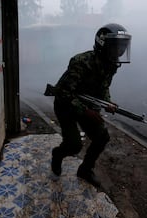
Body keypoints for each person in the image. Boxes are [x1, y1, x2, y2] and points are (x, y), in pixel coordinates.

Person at [50, 23, 132, 187]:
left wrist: (107, 102)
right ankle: (57, 154)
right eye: (116, 46)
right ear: (103, 44)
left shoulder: (110, 63)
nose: (120, 51)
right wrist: (86, 111)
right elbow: (63, 92)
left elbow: (103, 87)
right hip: (66, 106)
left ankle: (85, 169)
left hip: (87, 107)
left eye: (122, 46)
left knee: (102, 137)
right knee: (74, 145)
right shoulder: (81, 62)